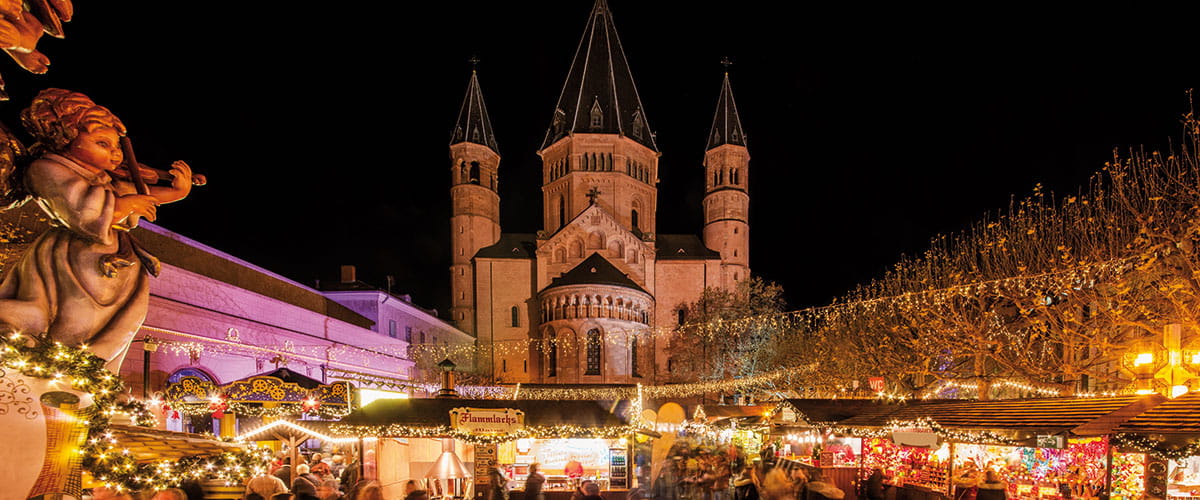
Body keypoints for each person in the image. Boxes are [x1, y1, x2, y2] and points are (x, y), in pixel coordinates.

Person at [0, 88, 196, 371]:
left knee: (121, 319)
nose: (116, 155)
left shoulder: (101, 178)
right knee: (73, 314)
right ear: (63, 136)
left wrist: (177, 193)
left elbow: (131, 193)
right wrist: (124, 205)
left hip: (116, 261)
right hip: (68, 261)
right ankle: (59, 367)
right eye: (102, 143)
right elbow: (80, 210)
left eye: (117, 146)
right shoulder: (47, 169)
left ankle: (92, 372)